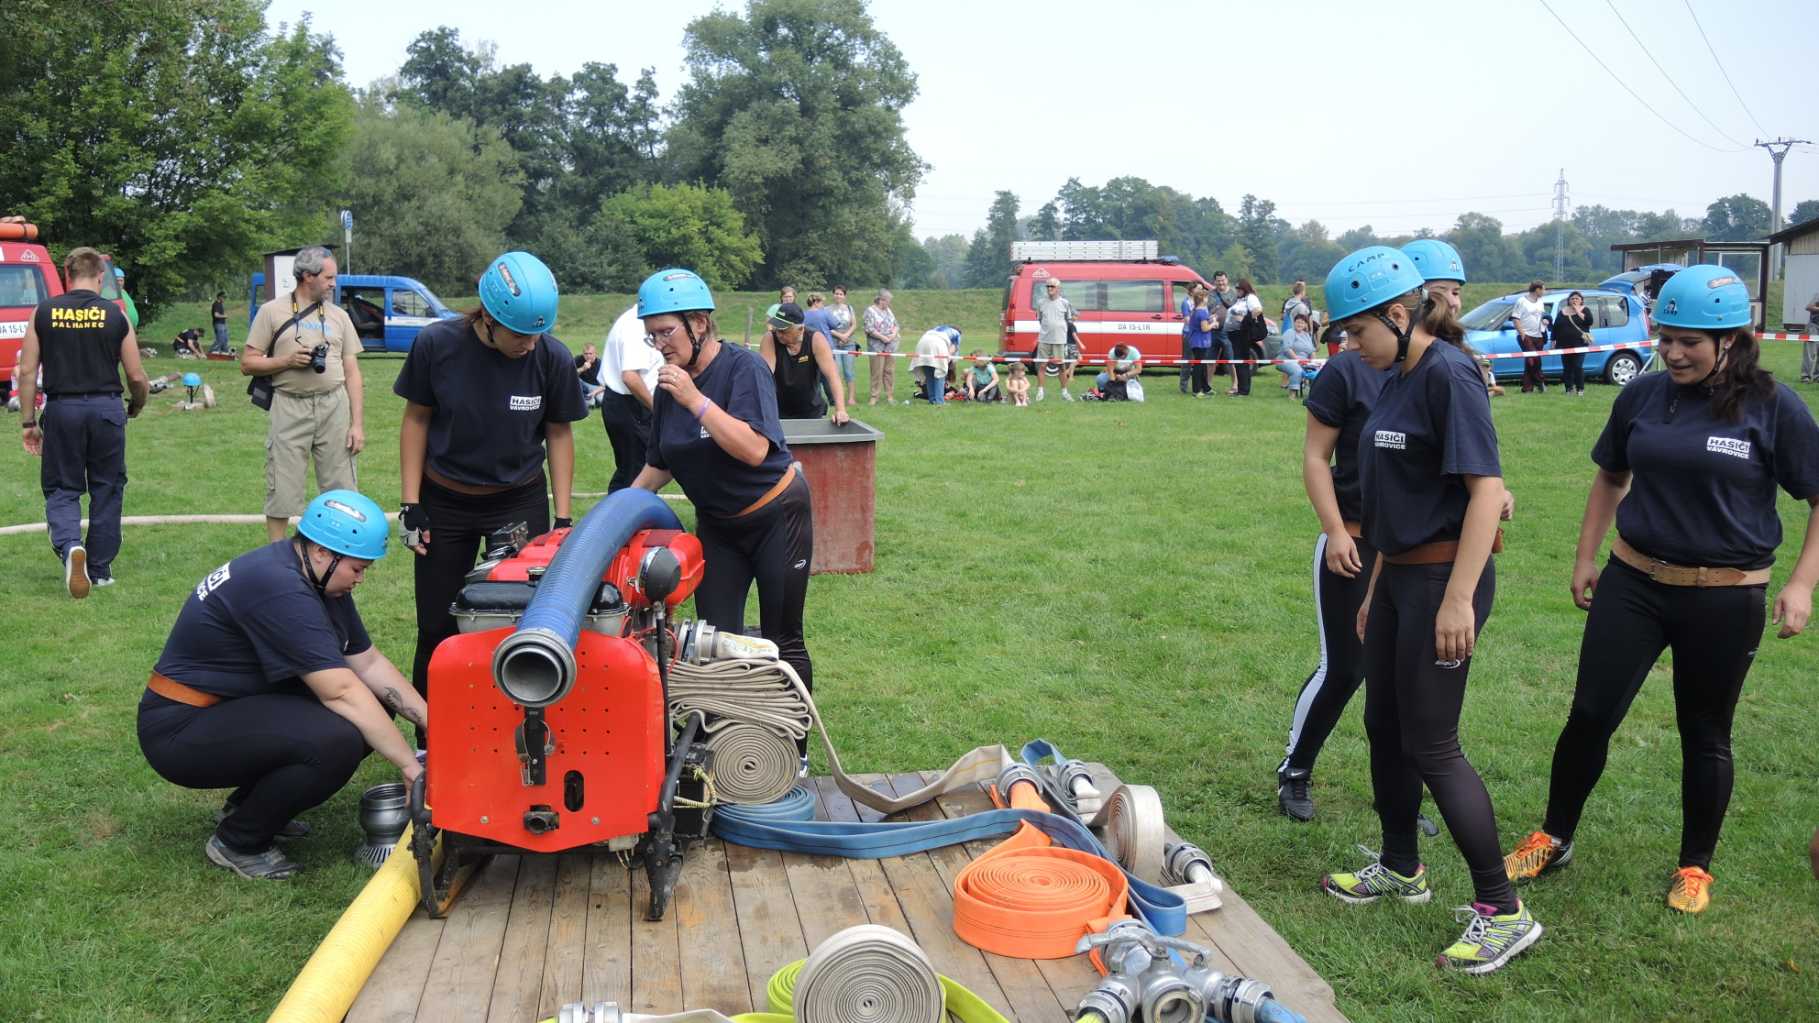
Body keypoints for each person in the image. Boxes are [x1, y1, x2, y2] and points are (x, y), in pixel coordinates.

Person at [1503, 266, 1819, 915]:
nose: (1673, 351)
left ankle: (1693, 865)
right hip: (1634, 582)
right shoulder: (1642, 396)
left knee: (1704, 731)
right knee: (1589, 714)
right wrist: (1586, 555)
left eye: (1689, 341)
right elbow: (1609, 476)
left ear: (1728, 340)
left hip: (1725, 595)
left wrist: (1801, 583)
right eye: (1666, 336)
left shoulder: (1772, 406)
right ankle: (1553, 835)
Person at [1316, 246, 1540, 974]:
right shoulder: (1391, 377)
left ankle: (1502, 910)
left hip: (1448, 580)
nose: (1350, 346)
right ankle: (1400, 865)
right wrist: (1377, 587)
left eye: (1356, 331)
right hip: (1398, 579)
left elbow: (1484, 491)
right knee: (1383, 722)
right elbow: (1395, 501)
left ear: (1397, 312)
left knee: (1432, 742)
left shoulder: (1446, 373)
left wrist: (1454, 598)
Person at [137, 489, 427, 880]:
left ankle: (251, 806)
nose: (360, 579)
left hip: (224, 707)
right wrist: (411, 766)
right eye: (358, 569)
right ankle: (238, 840)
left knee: (370, 706)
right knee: (336, 739)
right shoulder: (280, 587)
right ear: (324, 552)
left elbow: (368, 663)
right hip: (178, 727)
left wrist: (435, 725)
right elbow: (339, 690)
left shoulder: (314, 574)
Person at [395, 251, 586, 741]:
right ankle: (431, 739)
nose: (528, 344)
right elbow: (416, 419)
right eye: (519, 333)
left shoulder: (552, 357)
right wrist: (411, 503)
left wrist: (562, 521)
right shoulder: (437, 345)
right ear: (488, 317)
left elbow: (559, 434)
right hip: (445, 502)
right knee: (437, 625)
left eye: (536, 333)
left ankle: (518, 732)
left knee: (524, 622)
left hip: (516, 502)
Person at [630, 268, 816, 760]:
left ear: (700, 322)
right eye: (652, 337)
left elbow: (754, 449)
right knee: (714, 641)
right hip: (719, 526)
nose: (659, 346)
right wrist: (616, 514)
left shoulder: (744, 369)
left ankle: (793, 751)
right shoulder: (667, 386)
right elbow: (658, 465)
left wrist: (695, 400)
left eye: (666, 332)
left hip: (777, 515)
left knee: (782, 634)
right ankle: (724, 755)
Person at [16, 246, 150, 597]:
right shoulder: (116, 314)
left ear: (66, 273)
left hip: (63, 409)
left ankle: (70, 545)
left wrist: (28, 422)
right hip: (106, 408)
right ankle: (100, 568)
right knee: (107, 487)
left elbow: (28, 370)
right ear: (101, 277)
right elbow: (136, 375)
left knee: (63, 487)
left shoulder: (42, 312)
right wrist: (136, 404)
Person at [241, 245, 365, 543]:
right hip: (288, 406)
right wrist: (286, 361)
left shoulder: (339, 316)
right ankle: (277, 555)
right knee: (282, 486)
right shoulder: (271, 312)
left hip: (334, 406)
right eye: (329, 277)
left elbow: (352, 372)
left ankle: (339, 549)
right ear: (308, 276)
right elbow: (248, 363)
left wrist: (357, 424)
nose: (334, 283)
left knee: (342, 487)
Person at [1404, 238, 1500, 397]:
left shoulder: (1454, 369)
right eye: (1440, 291)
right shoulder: (1381, 362)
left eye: (1456, 292)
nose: (1453, 302)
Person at [597, 304, 662, 493]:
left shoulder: (633, 319)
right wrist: (657, 410)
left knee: (632, 472)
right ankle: (623, 520)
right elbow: (630, 377)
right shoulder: (637, 325)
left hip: (629, 404)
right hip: (632, 405)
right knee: (637, 476)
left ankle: (623, 519)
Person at [760, 301, 849, 422]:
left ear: (800, 328)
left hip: (811, 411)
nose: (779, 334)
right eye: (777, 329)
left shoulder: (816, 339)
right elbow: (765, 376)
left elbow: (833, 377)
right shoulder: (770, 338)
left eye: (784, 331)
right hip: (777, 411)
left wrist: (841, 410)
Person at [1034, 278, 1075, 401]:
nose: (1049, 289)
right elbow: (1040, 319)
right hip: (1044, 339)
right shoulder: (1041, 302)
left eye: (1052, 286)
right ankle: (1040, 392)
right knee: (1042, 366)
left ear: (1058, 288)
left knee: (1061, 367)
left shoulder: (1065, 303)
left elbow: (1068, 320)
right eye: (1047, 286)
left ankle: (1064, 392)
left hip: (1059, 340)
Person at [1226, 279, 1266, 397]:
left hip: (1243, 334)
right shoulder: (1240, 299)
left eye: (1239, 289)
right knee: (1238, 362)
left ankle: (1244, 390)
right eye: (1237, 289)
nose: (1237, 291)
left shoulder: (1250, 298)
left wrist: (1245, 319)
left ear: (1244, 289)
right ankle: (1241, 388)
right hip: (1235, 333)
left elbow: (1258, 310)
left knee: (1241, 361)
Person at [1550, 291, 1593, 397]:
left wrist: (1578, 311)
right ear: (1568, 300)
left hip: (1580, 343)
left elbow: (1589, 321)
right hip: (1564, 344)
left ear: (1581, 300)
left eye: (1577, 299)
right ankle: (1568, 388)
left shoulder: (1585, 309)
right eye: (1572, 298)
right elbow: (1556, 327)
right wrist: (1553, 340)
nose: (1574, 300)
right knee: (1567, 367)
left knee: (1578, 366)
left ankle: (1580, 389)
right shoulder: (1562, 311)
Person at [863, 289, 900, 405]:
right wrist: (883, 338)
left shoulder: (888, 311)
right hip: (876, 346)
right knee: (876, 371)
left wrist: (893, 335)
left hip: (891, 345)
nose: (889, 303)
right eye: (888, 301)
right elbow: (869, 329)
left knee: (889, 371)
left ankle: (890, 395)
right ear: (881, 300)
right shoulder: (870, 311)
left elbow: (896, 325)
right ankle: (874, 396)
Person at [1511, 281, 1549, 394]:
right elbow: (1515, 318)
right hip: (1526, 335)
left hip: (1539, 335)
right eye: (1543, 289)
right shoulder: (1521, 301)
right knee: (1533, 360)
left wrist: (1545, 321)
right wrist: (1522, 334)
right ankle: (1540, 381)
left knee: (1531, 361)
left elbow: (1541, 316)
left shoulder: (1541, 302)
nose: (1544, 291)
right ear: (1537, 289)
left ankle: (1527, 388)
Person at [825, 286, 859, 399]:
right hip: (834, 344)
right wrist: (840, 336)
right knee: (836, 371)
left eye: (841, 294)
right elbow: (827, 327)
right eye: (836, 293)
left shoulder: (849, 308)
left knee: (849, 372)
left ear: (844, 296)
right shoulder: (827, 309)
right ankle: (839, 397)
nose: (838, 296)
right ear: (833, 295)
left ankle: (851, 398)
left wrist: (846, 336)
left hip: (849, 344)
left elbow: (854, 324)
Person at [1275, 314, 1316, 397]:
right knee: (1297, 370)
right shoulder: (1289, 332)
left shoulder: (1307, 335)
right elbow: (1287, 349)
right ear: (1294, 323)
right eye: (1298, 322)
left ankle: (1314, 394)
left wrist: (1314, 363)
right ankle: (1292, 394)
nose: (1300, 325)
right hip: (1286, 359)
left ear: (1305, 325)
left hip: (1304, 361)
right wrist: (1298, 361)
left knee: (1317, 371)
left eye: (1302, 323)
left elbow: (1312, 351)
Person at [910, 327, 952, 406]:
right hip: (937, 348)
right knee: (940, 374)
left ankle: (932, 399)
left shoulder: (929, 333)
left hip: (922, 346)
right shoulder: (952, 336)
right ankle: (940, 401)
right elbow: (950, 352)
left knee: (929, 376)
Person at [1185, 285, 1215, 397]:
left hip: (1196, 341)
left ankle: (1205, 388)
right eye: (1206, 298)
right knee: (1199, 366)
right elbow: (1204, 328)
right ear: (1202, 299)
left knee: (1201, 365)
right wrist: (1213, 324)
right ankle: (1196, 390)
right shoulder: (1202, 312)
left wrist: (1209, 320)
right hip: (1200, 342)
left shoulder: (1196, 310)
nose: (1208, 300)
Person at [575, 342, 606, 407]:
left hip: (597, 387)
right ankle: (585, 398)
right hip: (583, 386)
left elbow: (605, 385)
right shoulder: (578, 359)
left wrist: (594, 393)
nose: (588, 356)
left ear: (595, 354)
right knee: (590, 403)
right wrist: (582, 368)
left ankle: (592, 399)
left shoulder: (601, 364)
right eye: (586, 354)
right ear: (583, 354)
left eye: (590, 354)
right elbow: (570, 375)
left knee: (602, 400)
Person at [1802, 291, 1818, 384]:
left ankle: (1817, 377)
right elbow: (1809, 307)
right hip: (1814, 326)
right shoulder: (1818, 295)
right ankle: (1805, 376)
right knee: (1810, 353)